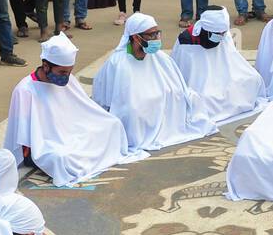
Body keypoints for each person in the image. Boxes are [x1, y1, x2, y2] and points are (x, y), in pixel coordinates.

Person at [4, 33, 145, 186]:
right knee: (61, 157)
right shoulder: (24, 90)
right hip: (44, 143)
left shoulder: (68, 79)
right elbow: (23, 135)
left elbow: (83, 108)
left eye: (69, 71)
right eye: (63, 72)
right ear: (46, 66)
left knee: (113, 125)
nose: (67, 76)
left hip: (71, 132)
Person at [92, 12, 217, 151]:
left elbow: (178, 87)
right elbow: (106, 97)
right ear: (135, 37)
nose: (156, 38)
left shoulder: (161, 58)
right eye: (151, 35)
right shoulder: (117, 63)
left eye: (157, 33)